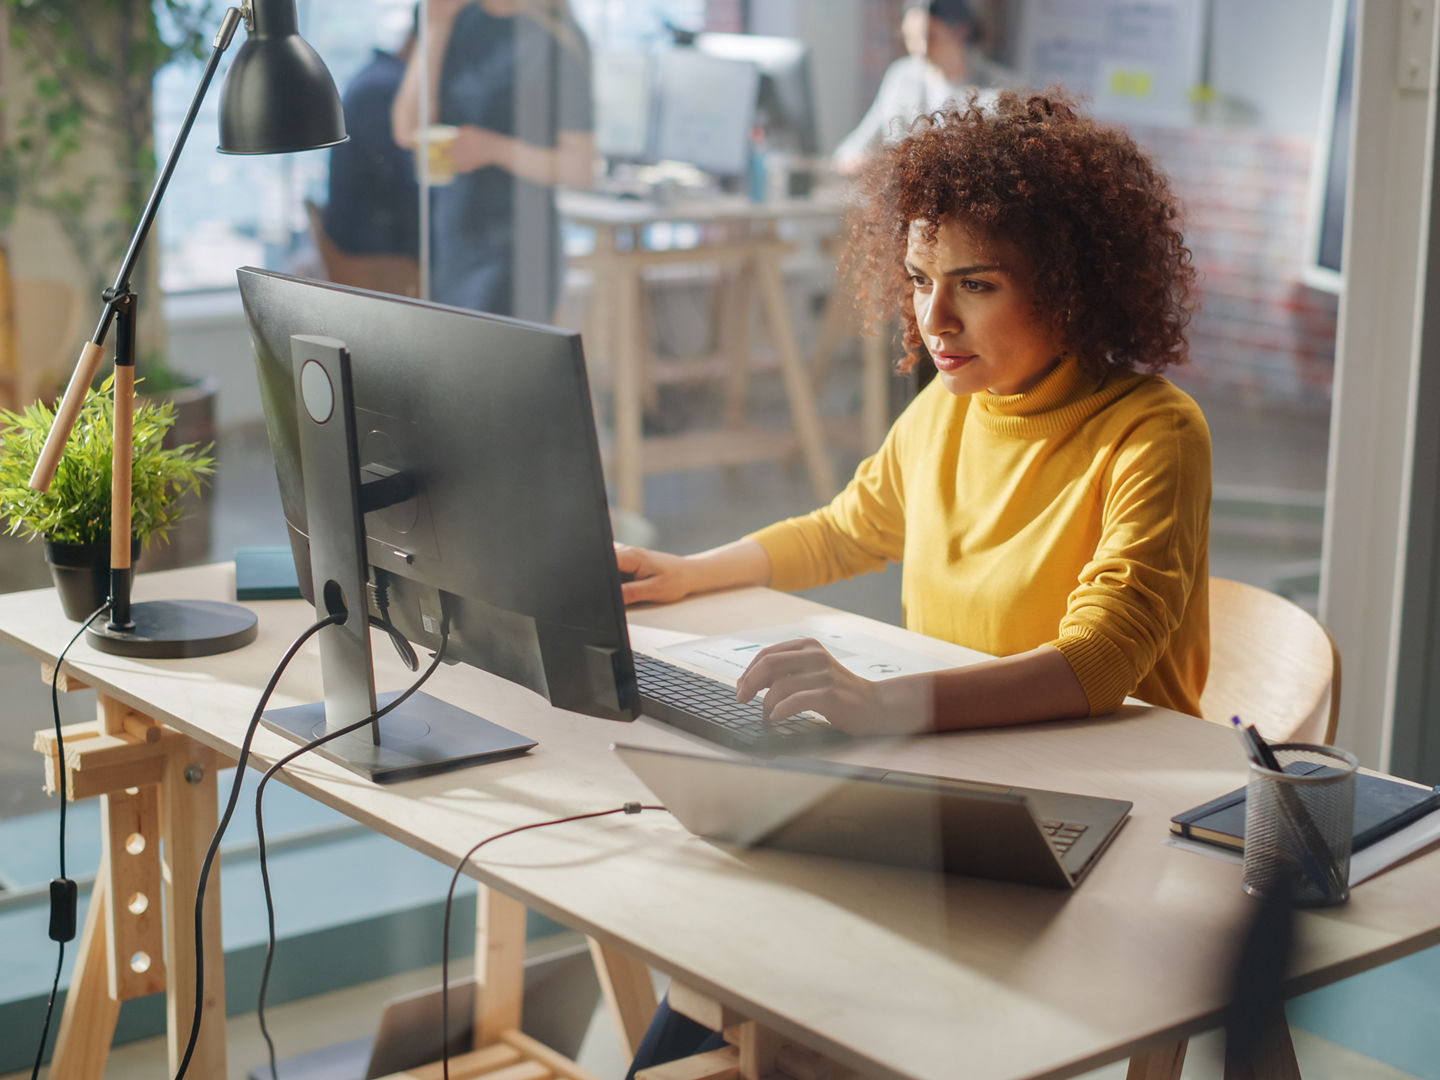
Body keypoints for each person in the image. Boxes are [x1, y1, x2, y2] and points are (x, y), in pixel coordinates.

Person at [618, 88, 1209, 1073]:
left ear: (1072, 285)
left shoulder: (1152, 433)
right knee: (722, 944)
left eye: (974, 285)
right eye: (918, 278)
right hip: (963, 785)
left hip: (1109, 827)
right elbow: (853, 526)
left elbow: (1102, 661)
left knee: (770, 974)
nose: (933, 318)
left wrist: (884, 706)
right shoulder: (952, 400)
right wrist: (687, 574)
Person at [390, 0, 593, 321]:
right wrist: (436, 27)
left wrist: (493, 149)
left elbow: (579, 167)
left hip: (515, 248)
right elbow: (408, 130)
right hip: (453, 236)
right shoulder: (458, 23)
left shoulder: (555, 37)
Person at [832, 0, 1019, 174]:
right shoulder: (902, 77)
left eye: (930, 37)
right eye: (910, 39)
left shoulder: (1002, 88)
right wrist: (851, 157)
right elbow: (864, 138)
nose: (920, 50)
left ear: (961, 31)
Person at [323, 9, 421, 259]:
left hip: (362, 235)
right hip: (370, 249)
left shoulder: (377, 77)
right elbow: (401, 181)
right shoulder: (384, 89)